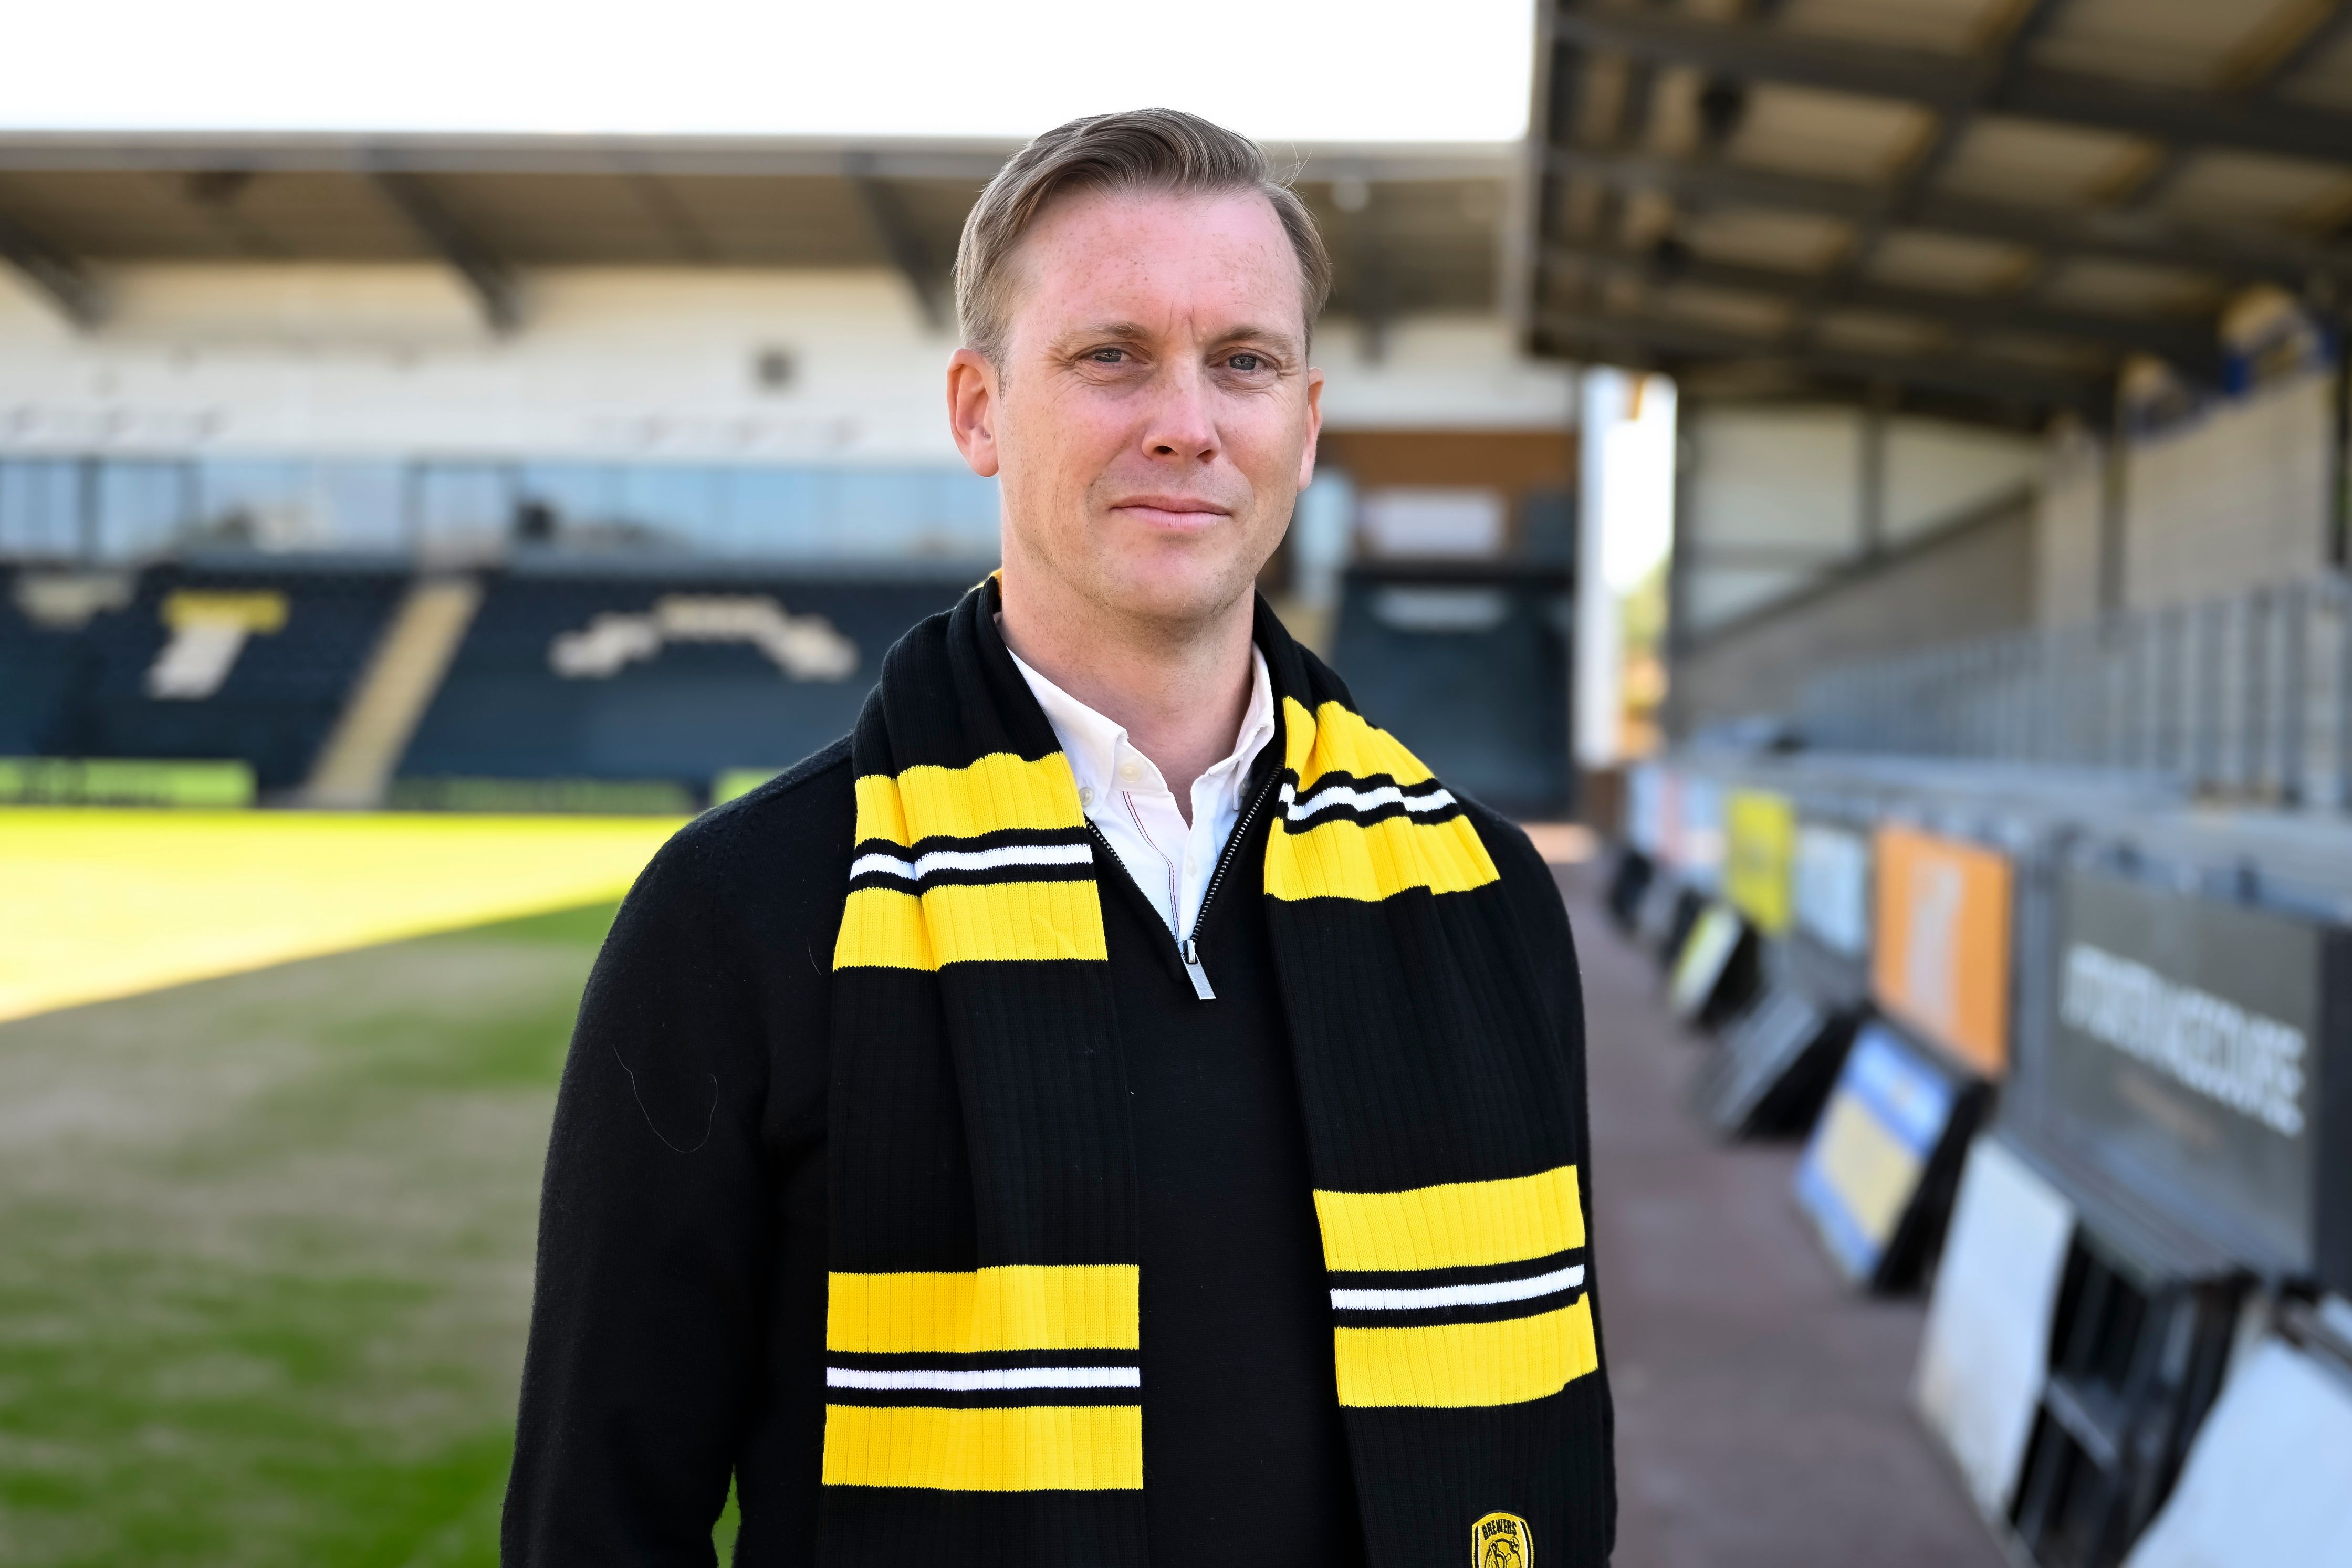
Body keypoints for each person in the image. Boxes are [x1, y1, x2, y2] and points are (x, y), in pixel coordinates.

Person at [503, 108, 1613, 1568]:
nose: (1186, 422)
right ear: (978, 410)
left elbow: (1557, 1449)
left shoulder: (1481, 896)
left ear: (1304, 426)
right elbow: (597, 1521)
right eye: (1112, 356)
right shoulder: (743, 910)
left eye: (1243, 362)